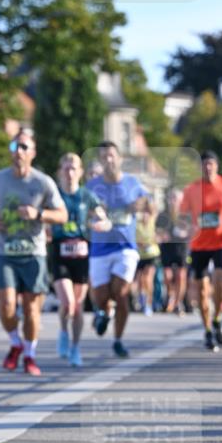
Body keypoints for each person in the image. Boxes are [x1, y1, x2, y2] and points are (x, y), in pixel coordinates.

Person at [0, 128, 67, 376]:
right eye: (14, 147)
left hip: (33, 253)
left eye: (24, 148)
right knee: (6, 305)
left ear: (33, 153)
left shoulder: (43, 182)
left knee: (30, 309)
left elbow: (62, 215)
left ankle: (29, 354)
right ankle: (15, 343)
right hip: (6, 251)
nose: (18, 152)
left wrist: (38, 214)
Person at [87, 142, 151, 358]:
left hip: (126, 247)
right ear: (100, 160)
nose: (109, 160)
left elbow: (149, 204)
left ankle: (118, 340)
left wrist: (140, 206)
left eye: (112, 156)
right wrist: (92, 218)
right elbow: (83, 213)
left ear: (119, 158)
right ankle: (103, 312)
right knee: (101, 296)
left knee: (121, 292)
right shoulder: (92, 186)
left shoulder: (132, 183)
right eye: (104, 156)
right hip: (99, 248)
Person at [49, 152, 110, 368]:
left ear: (81, 172)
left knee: (78, 305)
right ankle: (63, 332)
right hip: (60, 252)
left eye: (74, 167)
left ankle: (75, 347)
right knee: (68, 302)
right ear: (60, 172)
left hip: (82, 254)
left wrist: (100, 225)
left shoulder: (87, 196)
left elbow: (104, 220)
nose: (70, 171)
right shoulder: (54, 195)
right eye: (66, 167)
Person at [179, 150, 222, 352]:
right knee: (202, 291)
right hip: (199, 245)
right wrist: (186, 226)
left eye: (211, 164)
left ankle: (217, 318)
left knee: (220, 281)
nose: (208, 168)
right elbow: (182, 215)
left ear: (217, 166)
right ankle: (207, 329)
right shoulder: (192, 189)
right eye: (204, 164)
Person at [156, 187, 189, 315]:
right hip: (167, 247)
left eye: (175, 198)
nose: (172, 201)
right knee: (167, 276)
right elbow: (157, 230)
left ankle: (178, 302)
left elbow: (192, 229)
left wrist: (184, 232)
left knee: (181, 276)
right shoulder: (162, 215)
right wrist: (161, 235)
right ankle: (171, 295)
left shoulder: (185, 214)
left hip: (181, 247)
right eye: (171, 198)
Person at [135, 208, 160, 316]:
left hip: (152, 255)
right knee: (140, 281)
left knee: (147, 278)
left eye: (147, 213)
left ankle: (149, 304)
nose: (145, 215)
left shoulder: (153, 222)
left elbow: (157, 237)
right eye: (143, 213)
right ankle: (142, 300)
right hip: (140, 255)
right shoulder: (137, 224)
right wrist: (141, 244)